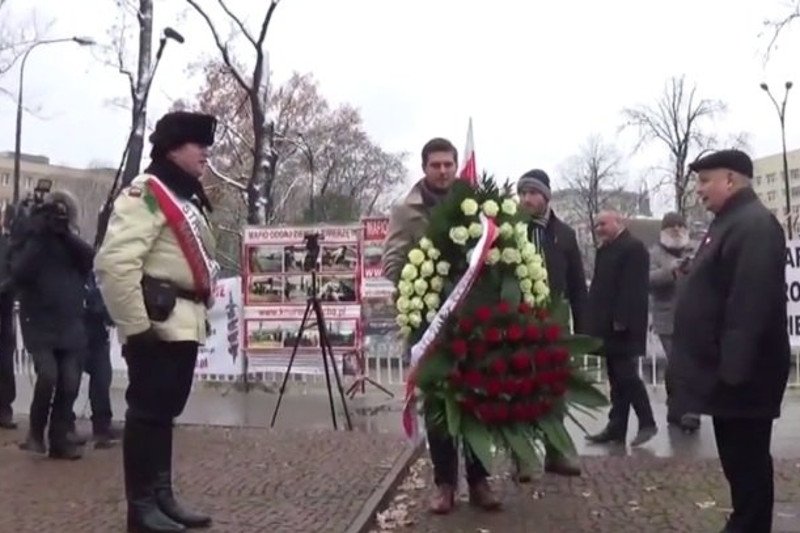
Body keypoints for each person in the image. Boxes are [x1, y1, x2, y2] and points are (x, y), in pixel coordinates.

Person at [95, 111, 219, 532]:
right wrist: (136, 327)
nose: (206, 153)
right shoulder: (147, 194)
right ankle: (141, 507)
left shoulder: (181, 195)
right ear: (173, 148)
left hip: (182, 322)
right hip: (157, 323)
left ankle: (162, 496)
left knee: (163, 413)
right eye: (198, 145)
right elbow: (116, 263)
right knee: (147, 413)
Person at [673, 149, 789, 533]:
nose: (699, 190)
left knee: (747, 465)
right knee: (739, 467)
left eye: (706, 180)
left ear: (731, 180)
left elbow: (750, 302)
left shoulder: (754, 225)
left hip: (744, 376)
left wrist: (732, 371)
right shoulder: (729, 222)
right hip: (728, 373)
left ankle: (749, 525)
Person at [383, 137, 500, 515]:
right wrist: (426, 280)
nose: (443, 171)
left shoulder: (475, 205)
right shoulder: (407, 210)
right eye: (435, 165)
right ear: (424, 168)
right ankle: (445, 483)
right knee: (437, 405)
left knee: (476, 400)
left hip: (472, 321)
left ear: (456, 165)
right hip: (430, 323)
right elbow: (391, 262)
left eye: (448, 164)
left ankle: (479, 480)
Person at [514, 169, 587, 480]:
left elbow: (577, 284)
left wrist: (583, 330)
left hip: (554, 320)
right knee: (518, 388)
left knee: (554, 388)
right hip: (517, 320)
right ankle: (523, 457)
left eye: (532, 193)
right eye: (522, 193)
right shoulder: (510, 231)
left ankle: (556, 452)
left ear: (546, 196)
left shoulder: (564, 234)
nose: (526, 199)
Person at [11, 190, 94, 459]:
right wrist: (39, 234)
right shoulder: (32, 239)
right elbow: (20, 271)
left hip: (69, 322)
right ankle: (36, 433)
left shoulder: (72, 243)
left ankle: (60, 439)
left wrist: (64, 234)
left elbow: (89, 259)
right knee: (48, 376)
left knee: (70, 381)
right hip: (39, 321)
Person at [586, 210, 657, 447]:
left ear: (618, 222)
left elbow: (633, 289)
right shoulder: (606, 249)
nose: (599, 229)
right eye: (597, 225)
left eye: (603, 224)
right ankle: (616, 427)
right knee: (616, 378)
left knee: (626, 375)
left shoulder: (633, 248)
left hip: (623, 325)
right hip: (607, 324)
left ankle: (647, 422)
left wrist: (622, 320)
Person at [648, 212, 700, 432]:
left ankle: (685, 409)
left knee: (690, 363)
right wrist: (671, 271)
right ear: (663, 231)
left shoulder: (695, 249)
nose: (677, 230)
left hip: (694, 316)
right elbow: (648, 279)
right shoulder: (654, 253)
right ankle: (683, 409)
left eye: (680, 225)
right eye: (672, 226)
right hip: (667, 318)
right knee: (677, 362)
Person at [71, 272, 123, 449]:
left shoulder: (96, 276)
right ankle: (65, 425)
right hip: (75, 334)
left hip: (97, 335)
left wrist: (105, 310)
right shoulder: (73, 272)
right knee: (70, 383)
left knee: (102, 379)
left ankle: (102, 426)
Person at [0, 204, 16, 430]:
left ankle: (4, 408)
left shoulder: (8, 244)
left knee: (4, 358)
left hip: (3, 306)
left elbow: (16, 272)